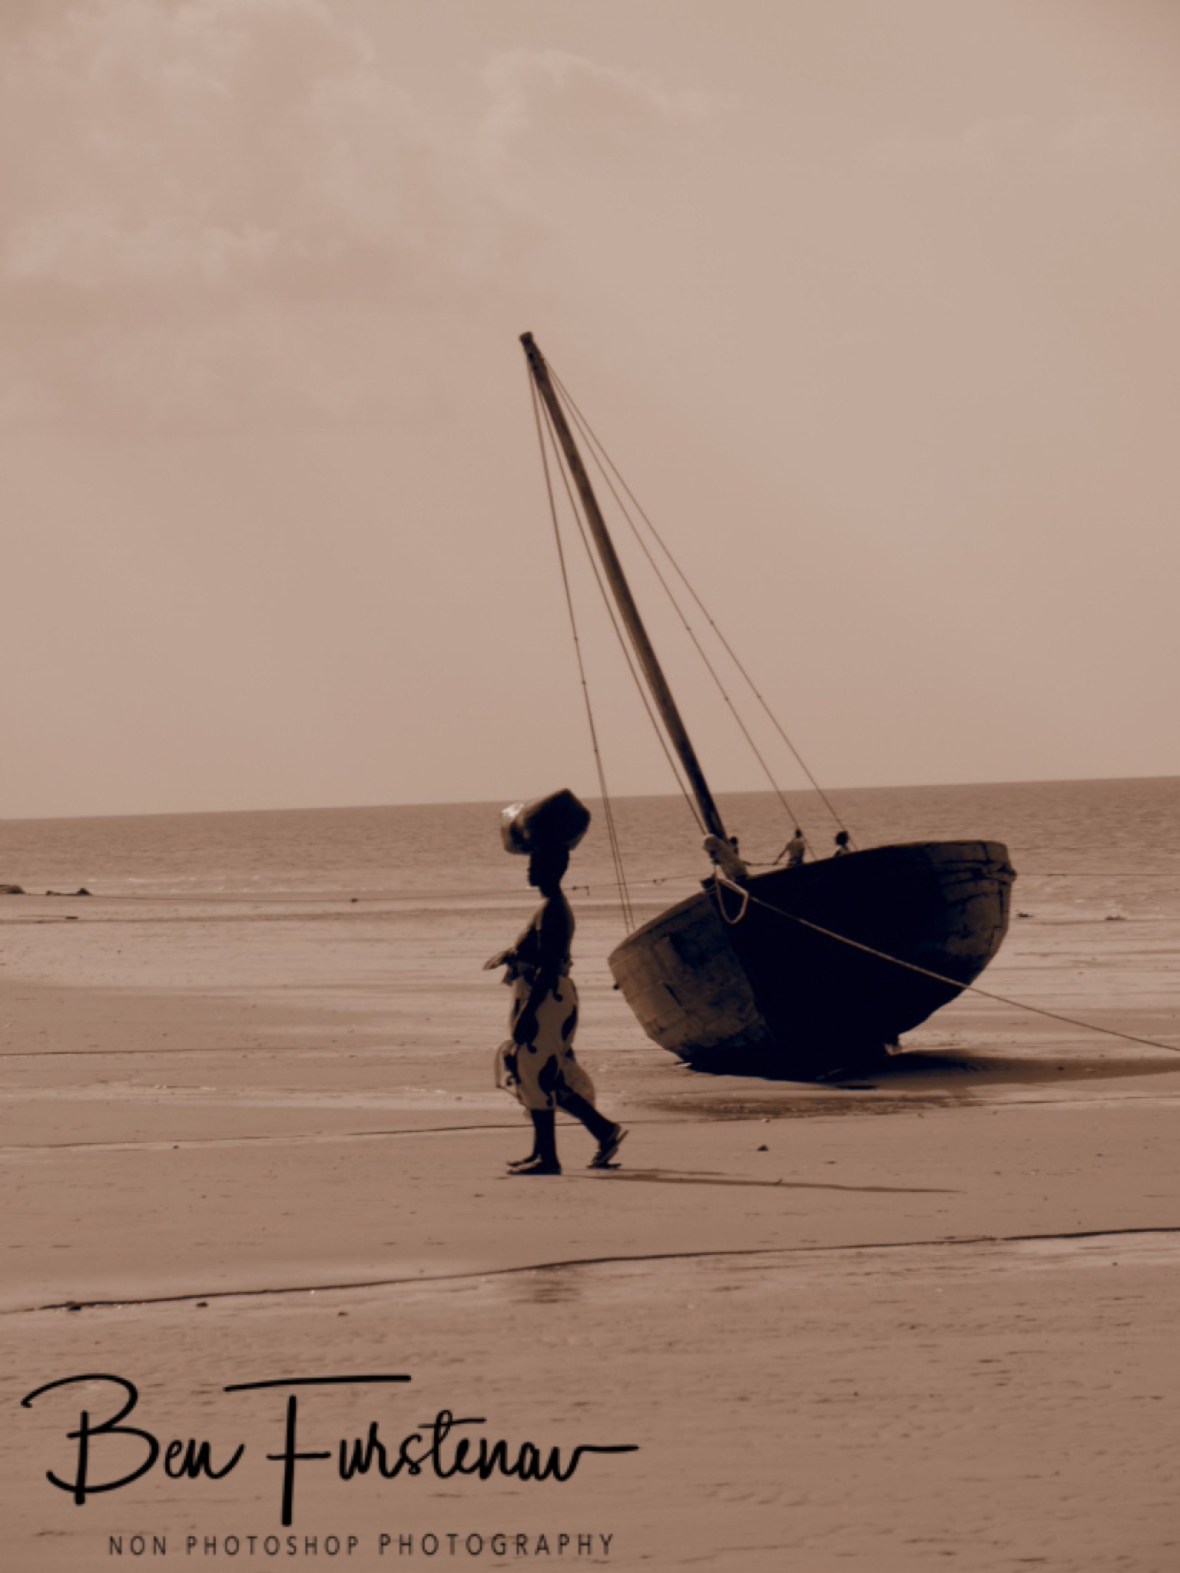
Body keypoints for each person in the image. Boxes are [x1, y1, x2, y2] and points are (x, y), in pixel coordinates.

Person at [488, 841, 626, 1177]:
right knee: (544, 1073)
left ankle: (549, 1158)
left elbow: (549, 967)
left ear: (555, 869)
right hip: (549, 997)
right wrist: (511, 954)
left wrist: (527, 1014)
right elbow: (544, 955)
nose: (529, 868)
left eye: (537, 862)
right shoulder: (549, 906)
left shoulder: (552, 909)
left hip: (546, 998)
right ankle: (595, 1133)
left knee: (533, 1069)